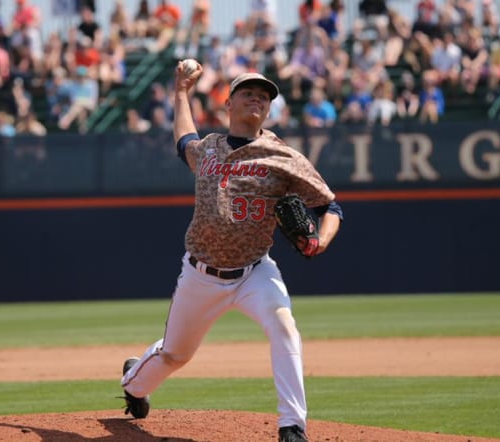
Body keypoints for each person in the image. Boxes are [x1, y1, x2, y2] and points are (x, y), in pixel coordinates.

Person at [120, 65, 343, 442]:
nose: (257, 98)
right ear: (229, 103)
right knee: (175, 355)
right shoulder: (207, 147)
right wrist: (180, 92)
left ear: (269, 109)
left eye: (264, 95)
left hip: (256, 271)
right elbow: (182, 139)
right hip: (200, 274)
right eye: (248, 92)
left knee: (284, 326)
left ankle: (293, 426)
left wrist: (320, 240)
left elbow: (330, 207)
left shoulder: (282, 156)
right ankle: (134, 383)